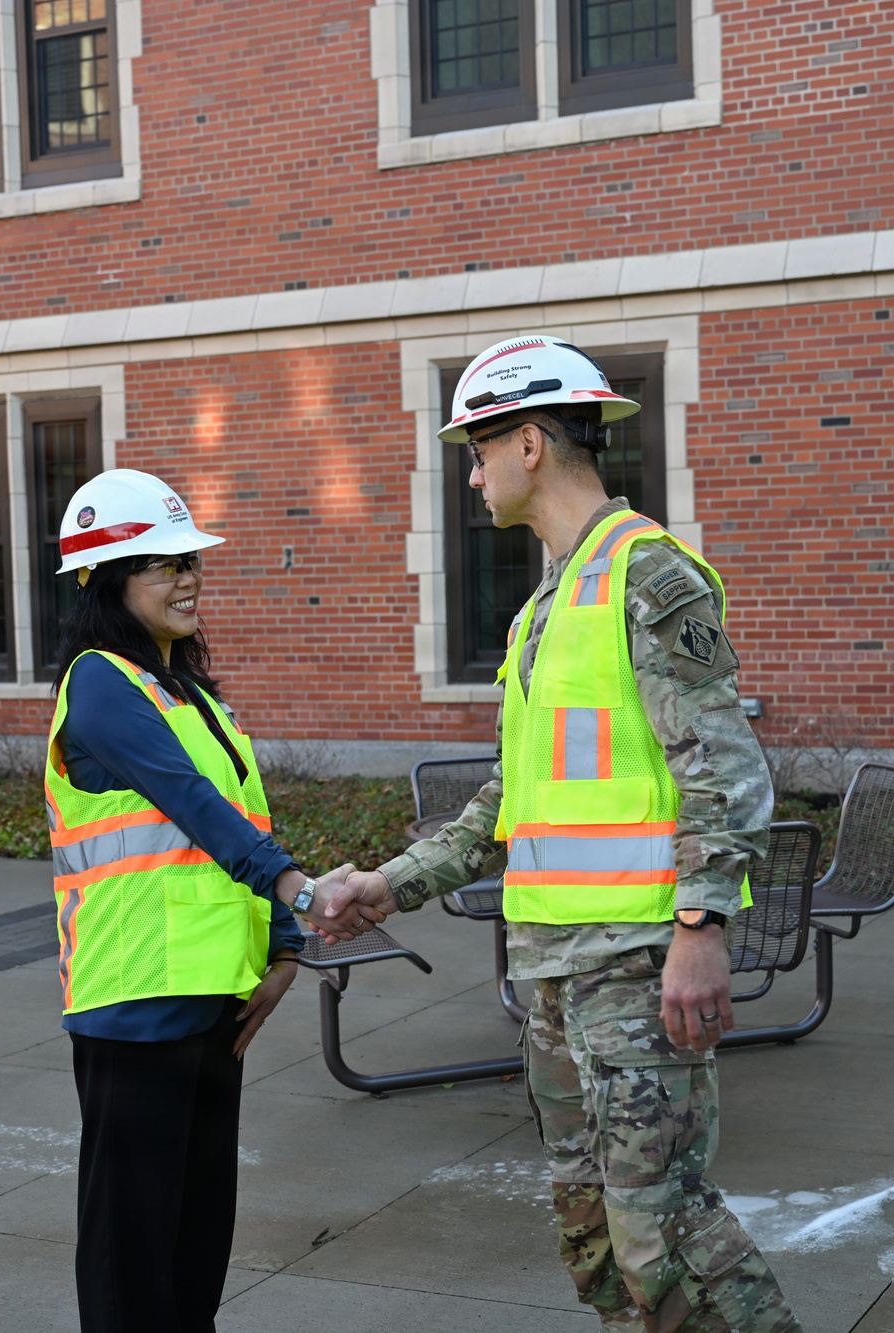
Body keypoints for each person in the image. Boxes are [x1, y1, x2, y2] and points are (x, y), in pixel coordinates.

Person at [323, 338, 801, 1332]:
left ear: (531, 443)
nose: (470, 469)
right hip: (547, 974)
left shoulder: (649, 578)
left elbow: (722, 770)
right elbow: (508, 801)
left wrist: (701, 928)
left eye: (478, 446)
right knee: (593, 1239)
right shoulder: (543, 607)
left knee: (662, 1234)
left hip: (634, 965)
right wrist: (394, 881)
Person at [45, 468, 372, 1333]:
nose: (186, 577)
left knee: (195, 1244)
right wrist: (297, 885)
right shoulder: (101, 682)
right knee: (132, 1252)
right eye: (159, 563)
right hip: (134, 1000)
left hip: (212, 1000)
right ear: (107, 581)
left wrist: (286, 945)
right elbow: (189, 799)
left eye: (190, 558)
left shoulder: (187, 692)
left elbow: (238, 818)